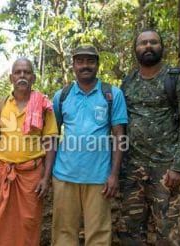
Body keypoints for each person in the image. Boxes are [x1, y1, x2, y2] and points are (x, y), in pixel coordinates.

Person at [118, 29, 180, 245]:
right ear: (135, 49)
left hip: (166, 171)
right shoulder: (127, 83)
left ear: (161, 47)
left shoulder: (176, 79)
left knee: (169, 233)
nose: (148, 46)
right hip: (132, 171)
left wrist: (179, 166)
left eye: (153, 42)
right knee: (130, 233)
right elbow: (119, 124)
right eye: (142, 43)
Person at [51, 44, 128, 245]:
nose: (85, 65)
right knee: (63, 234)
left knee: (99, 236)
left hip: (99, 178)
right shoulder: (62, 96)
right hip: (64, 175)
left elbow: (120, 135)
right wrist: (47, 174)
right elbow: (52, 136)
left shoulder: (112, 94)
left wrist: (114, 175)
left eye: (90, 61)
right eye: (80, 61)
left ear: (97, 65)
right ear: (73, 65)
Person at [0, 58, 58, 246]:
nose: (22, 76)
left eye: (26, 72)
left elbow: (50, 142)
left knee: (29, 223)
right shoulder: (0, 105)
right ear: (11, 77)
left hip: (32, 176)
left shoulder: (44, 106)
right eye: (18, 72)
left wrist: (45, 178)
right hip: (4, 173)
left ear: (33, 77)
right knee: (0, 222)